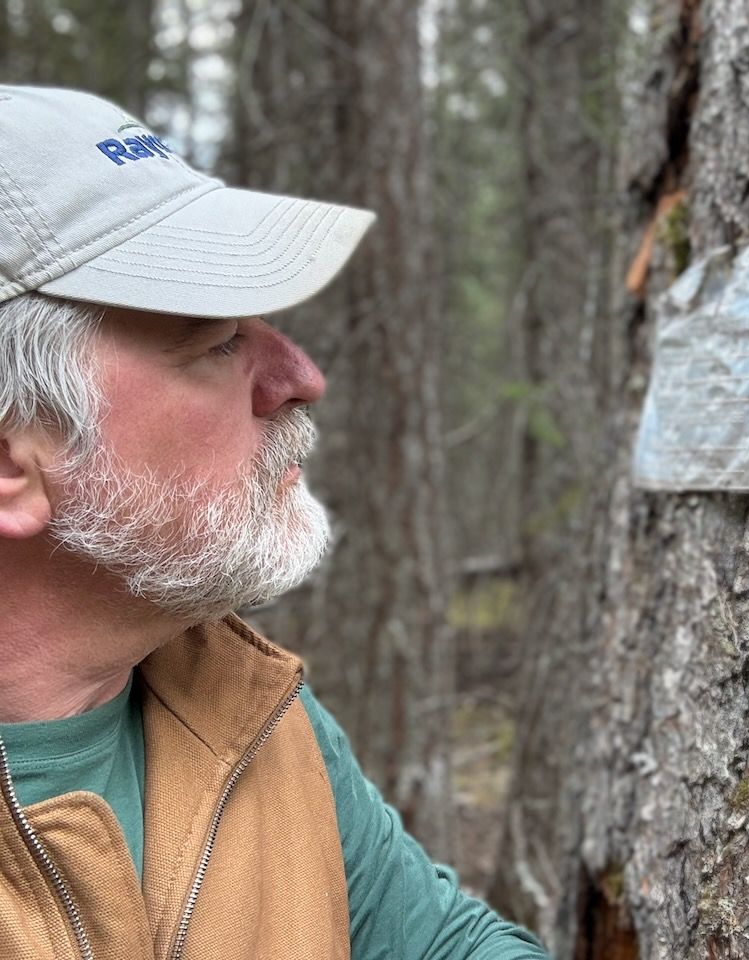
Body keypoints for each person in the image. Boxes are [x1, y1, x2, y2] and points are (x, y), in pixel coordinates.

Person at [0, 85, 547, 960]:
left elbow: (446, 945)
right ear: (9, 461)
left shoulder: (237, 706)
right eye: (214, 340)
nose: (298, 375)